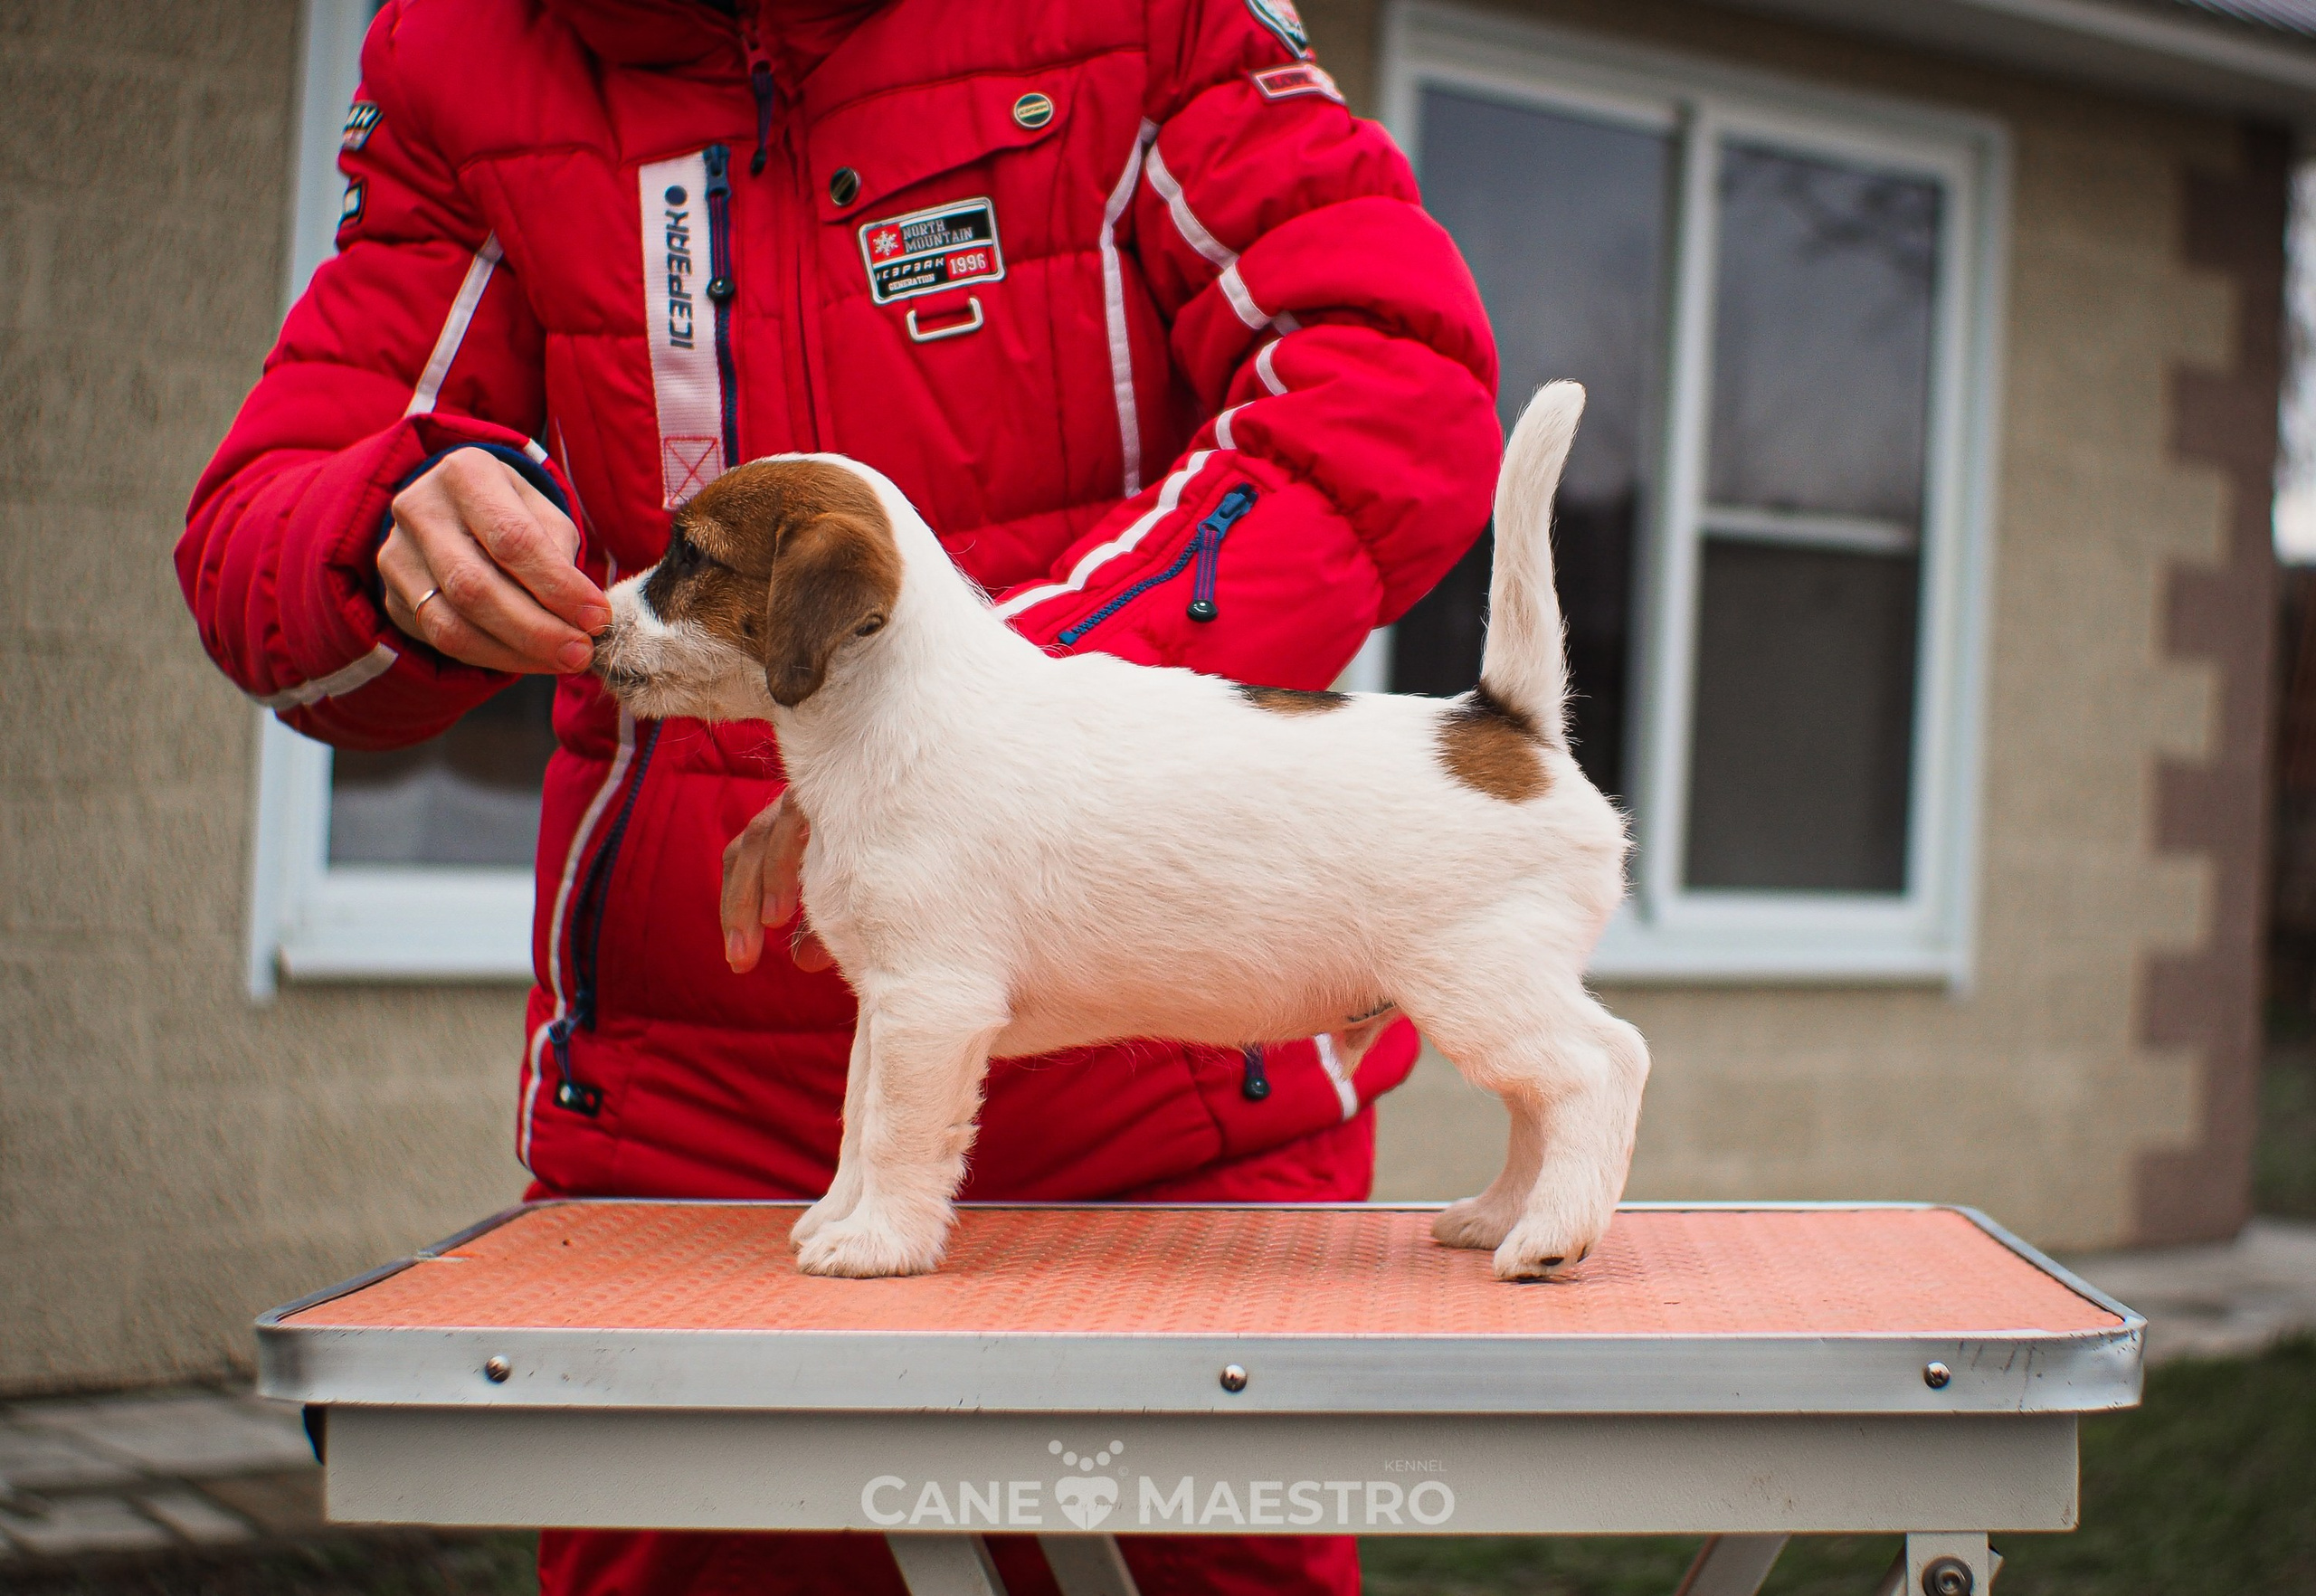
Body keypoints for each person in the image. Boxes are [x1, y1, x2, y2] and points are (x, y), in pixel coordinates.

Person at [180, 0, 1499, 1590]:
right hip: (689, 1143)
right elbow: (260, 537)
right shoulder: (460, 53)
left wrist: (936, 742)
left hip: (1168, 1117)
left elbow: (1382, 393)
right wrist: (383, 531)